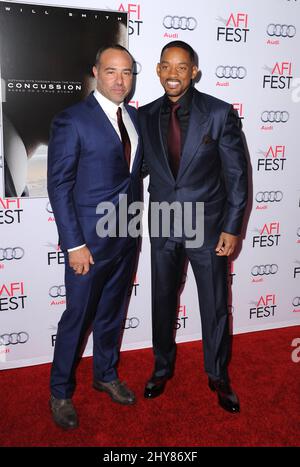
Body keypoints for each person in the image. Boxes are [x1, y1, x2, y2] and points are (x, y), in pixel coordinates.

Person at [139, 41, 248, 413]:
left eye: (182, 67)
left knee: (215, 303)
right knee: (162, 301)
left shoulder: (218, 113)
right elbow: (135, 169)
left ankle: (218, 375)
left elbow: (236, 173)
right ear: (157, 70)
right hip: (164, 225)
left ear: (194, 72)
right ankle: (161, 367)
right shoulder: (145, 115)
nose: (173, 74)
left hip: (208, 227)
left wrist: (232, 228)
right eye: (167, 66)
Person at [47, 44, 142, 429]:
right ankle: (60, 392)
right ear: (95, 72)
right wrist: (74, 244)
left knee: (112, 313)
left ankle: (105, 373)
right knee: (77, 317)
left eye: (127, 73)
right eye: (111, 72)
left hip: (127, 235)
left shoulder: (134, 118)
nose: (120, 80)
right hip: (88, 242)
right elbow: (59, 185)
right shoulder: (72, 120)